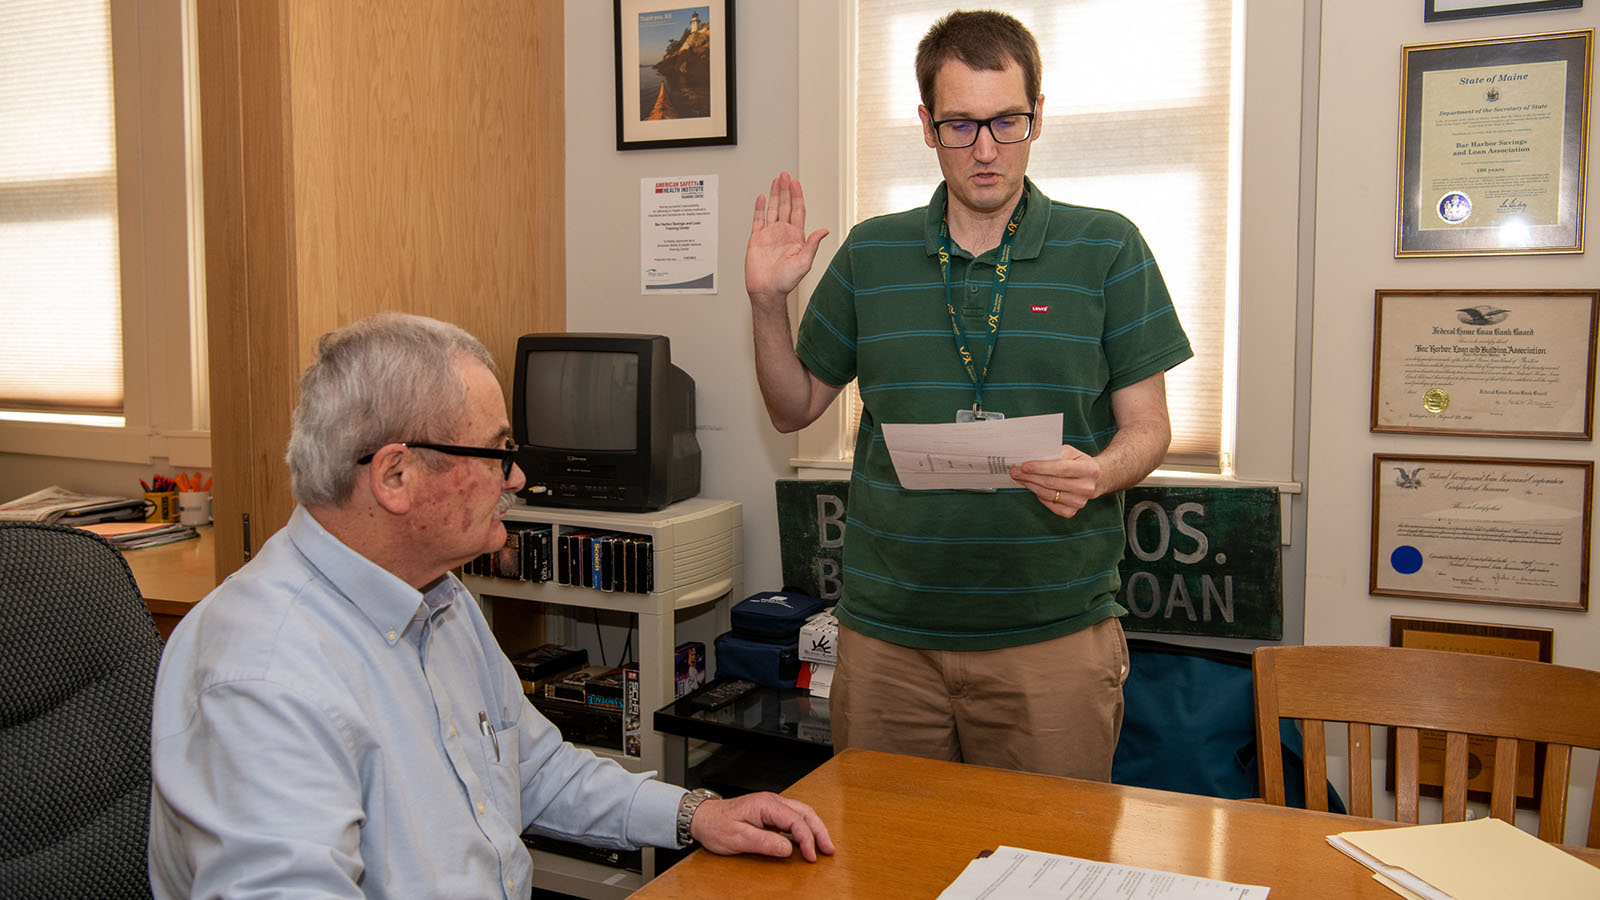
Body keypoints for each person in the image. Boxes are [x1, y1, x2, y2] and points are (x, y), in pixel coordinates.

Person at [148, 313, 832, 898]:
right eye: (499, 452)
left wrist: (696, 814)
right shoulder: (263, 677)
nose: (519, 477)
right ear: (395, 476)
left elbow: (535, 768)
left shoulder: (438, 595)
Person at [744, 10, 1192, 780]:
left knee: (1050, 869)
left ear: (1037, 118)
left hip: (1052, 638)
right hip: (889, 641)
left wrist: (1101, 471)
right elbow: (793, 407)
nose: (985, 149)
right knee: (888, 863)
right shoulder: (872, 253)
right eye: (960, 125)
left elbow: (1148, 426)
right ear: (927, 125)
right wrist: (764, 304)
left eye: (1007, 122)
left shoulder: (1108, 245)